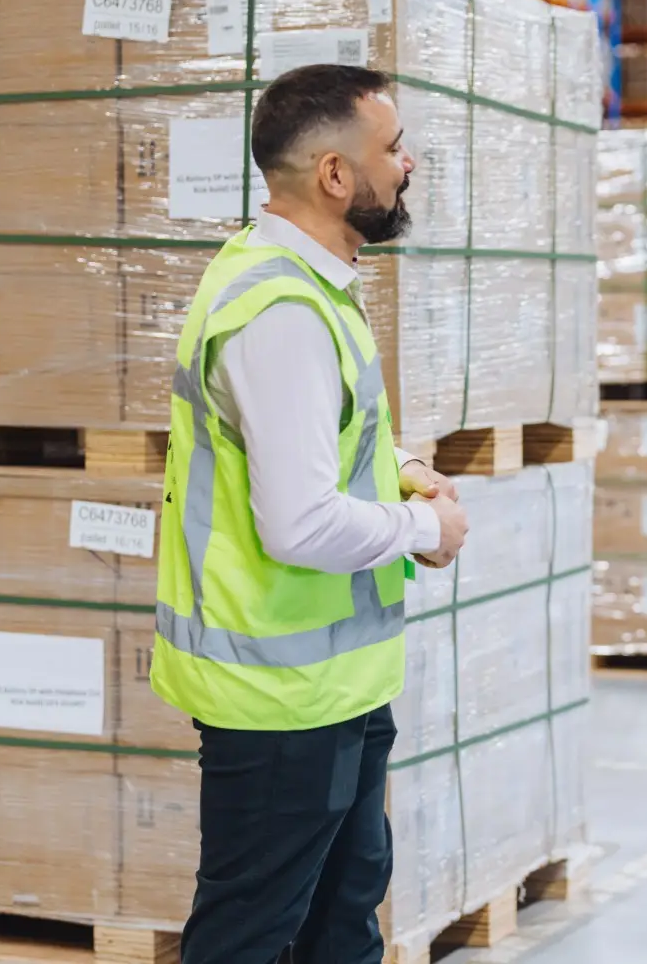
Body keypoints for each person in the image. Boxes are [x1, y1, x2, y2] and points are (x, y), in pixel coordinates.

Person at [150, 63, 470, 964]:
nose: (408, 163)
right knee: (253, 933)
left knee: (342, 917)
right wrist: (425, 531)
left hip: (335, 687)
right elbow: (298, 522)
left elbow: (334, 437)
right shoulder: (281, 311)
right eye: (392, 147)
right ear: (336, 175)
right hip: (278, 699)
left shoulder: (311, 283)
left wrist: (404, 471)